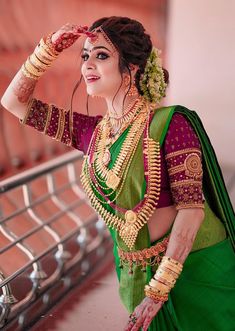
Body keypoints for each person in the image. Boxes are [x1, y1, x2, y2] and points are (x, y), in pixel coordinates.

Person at [1, 16, 235, 331]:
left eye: (101, 55)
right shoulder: (91, 134)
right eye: (84, 56)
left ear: (132, 68)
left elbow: (191, 212)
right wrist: (48, 50)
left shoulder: (170, 124)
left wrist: (158, 291)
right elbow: (14, 102)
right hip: (136, 277)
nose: (87, 65)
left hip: (197, 272)